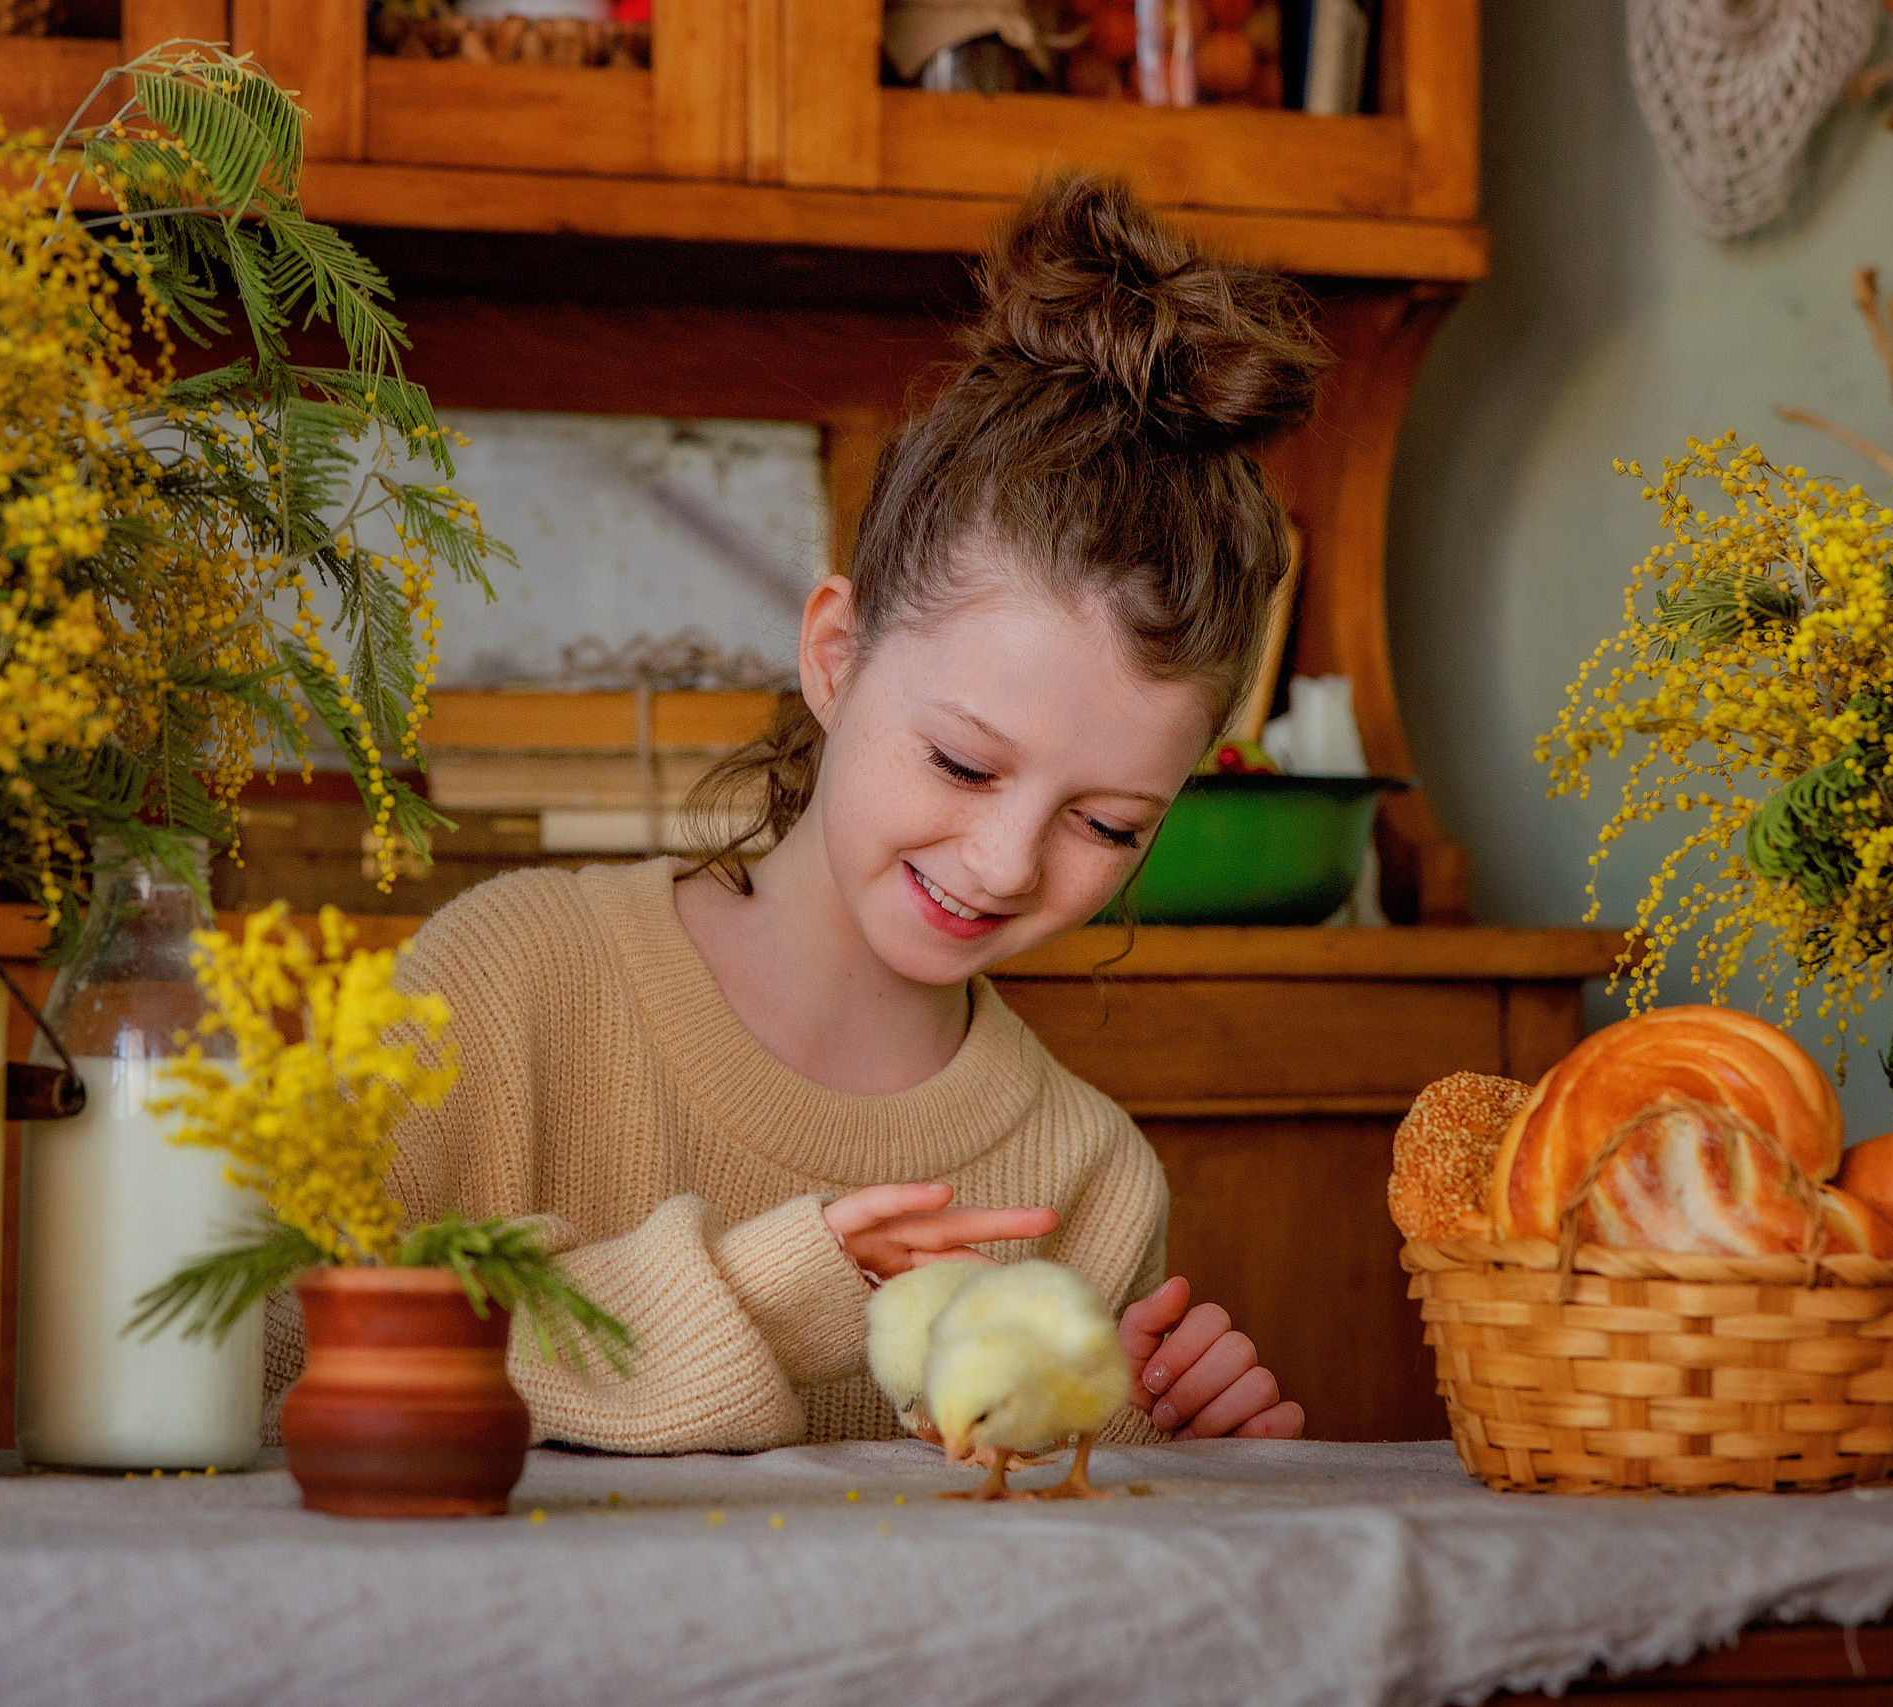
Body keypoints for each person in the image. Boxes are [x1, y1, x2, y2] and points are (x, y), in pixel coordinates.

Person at [355, 173, 1317, 1453]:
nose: (1004, 864)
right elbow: (284, 1356)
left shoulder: (1086, 1177)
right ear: (835, 655)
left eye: (1106, 827)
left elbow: (1018, 1554)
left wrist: (1156, 1449)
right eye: (963, 765)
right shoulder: (508, 983)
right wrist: (771, 1293)